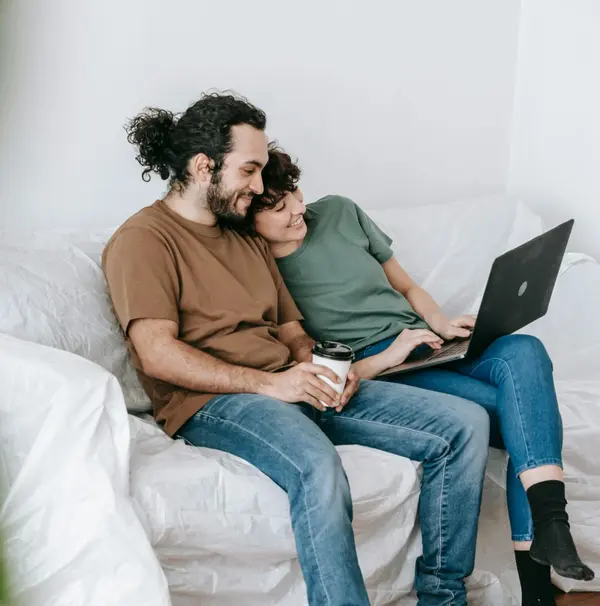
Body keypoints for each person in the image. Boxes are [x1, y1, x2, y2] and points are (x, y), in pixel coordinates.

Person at [102, 92, 491, 606]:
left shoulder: (245, 239)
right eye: (250, 170)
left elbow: (291, 332)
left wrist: (324, 369)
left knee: (464, 425)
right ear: (203, 166)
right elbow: (156, 354)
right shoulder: (144, 240)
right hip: (215, 403)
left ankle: (444, 597)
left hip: (293, 383)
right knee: (318, 465)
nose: (260, 187)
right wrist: (271, 383)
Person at [250, 145, 596, 606]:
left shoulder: (339, 212)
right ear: (248, 217)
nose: (297, 209)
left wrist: (440, 325)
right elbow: (323, 369)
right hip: (386, 367)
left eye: (294, 192)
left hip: (424, 343)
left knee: (524, 348)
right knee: (527, 414)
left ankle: (551, 527)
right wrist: (393, 352)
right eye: (278, 207)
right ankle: (538, 581)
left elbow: (406, 285)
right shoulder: (259, 268)